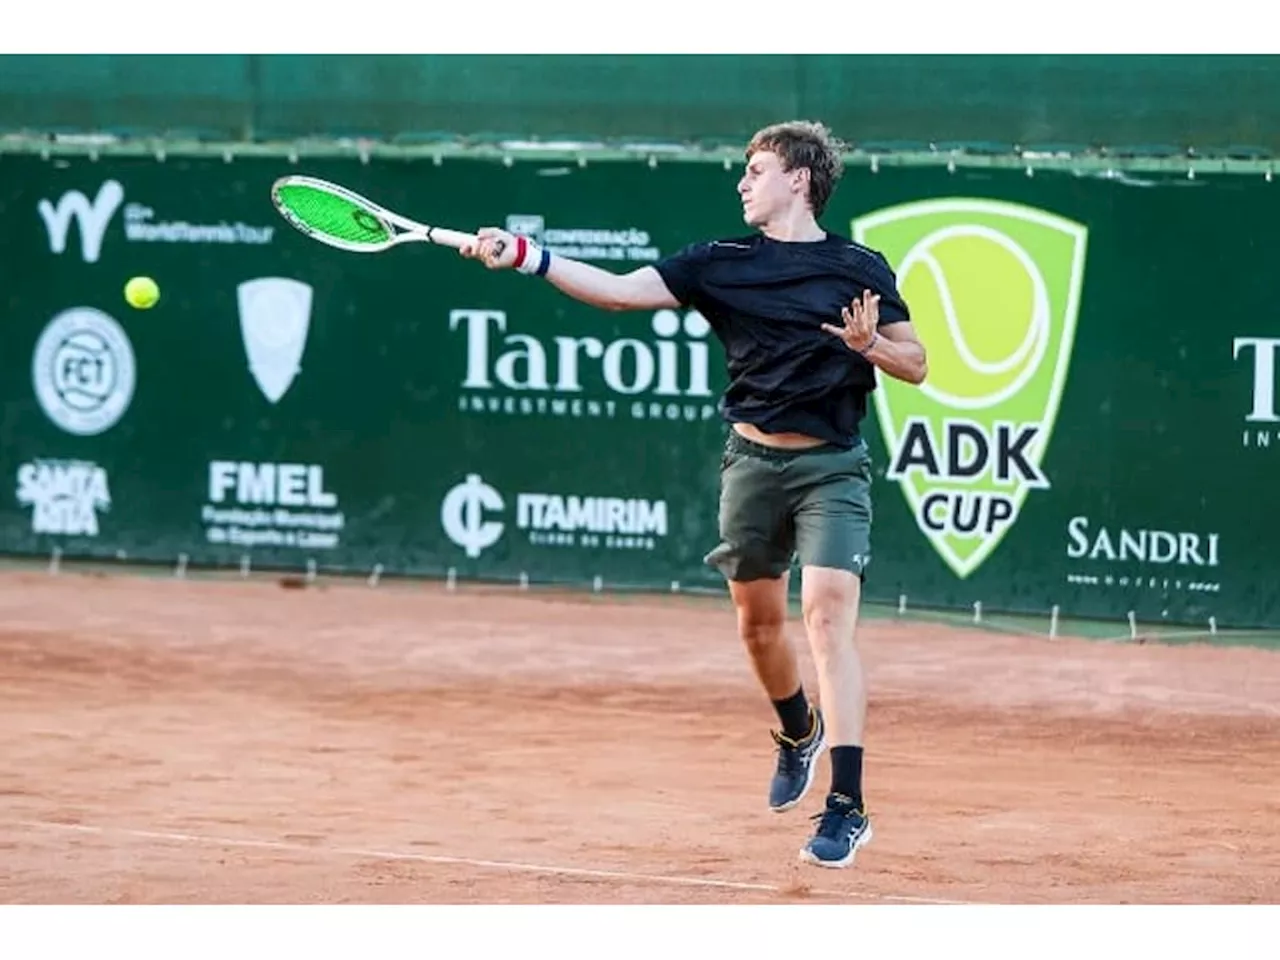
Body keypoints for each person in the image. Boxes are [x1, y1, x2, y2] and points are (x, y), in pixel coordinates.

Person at [459, 120, 927, 869]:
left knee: (827, 617)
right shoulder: (718, 263)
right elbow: (617, 293)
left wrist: (869, 346)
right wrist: (525, 256)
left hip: (832, 468)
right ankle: (795, 731)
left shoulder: (858, 266)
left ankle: (847, 805)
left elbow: (917, 363)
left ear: (800, 180)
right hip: (751, 466)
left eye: (758, 170)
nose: (743, 182)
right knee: (758, 630)